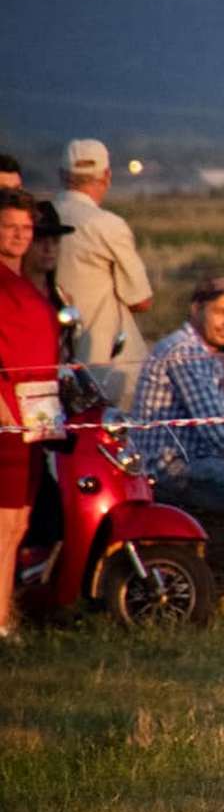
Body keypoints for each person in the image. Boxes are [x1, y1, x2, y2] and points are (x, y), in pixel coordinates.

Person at [128, 277, 224, 516]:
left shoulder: (205, 354)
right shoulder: (184, 351)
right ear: (196, 309)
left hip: (195, 463)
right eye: (220, 312)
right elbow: (217, 429)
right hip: (172, 470)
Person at [51, 139, 154, 407]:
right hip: (106, 363)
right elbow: (140, 300)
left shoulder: (38, 220)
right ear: (106, 176)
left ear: (62, 175)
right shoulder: (107, 225)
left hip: (50, 361)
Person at [0, 190, 55, 640]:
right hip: (8, 415)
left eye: (25, 228)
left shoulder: (29, 281)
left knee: (19, 524)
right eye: (9, 227)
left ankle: (7, 614)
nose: (19, 236)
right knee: (2, 526)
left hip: (39, 413)